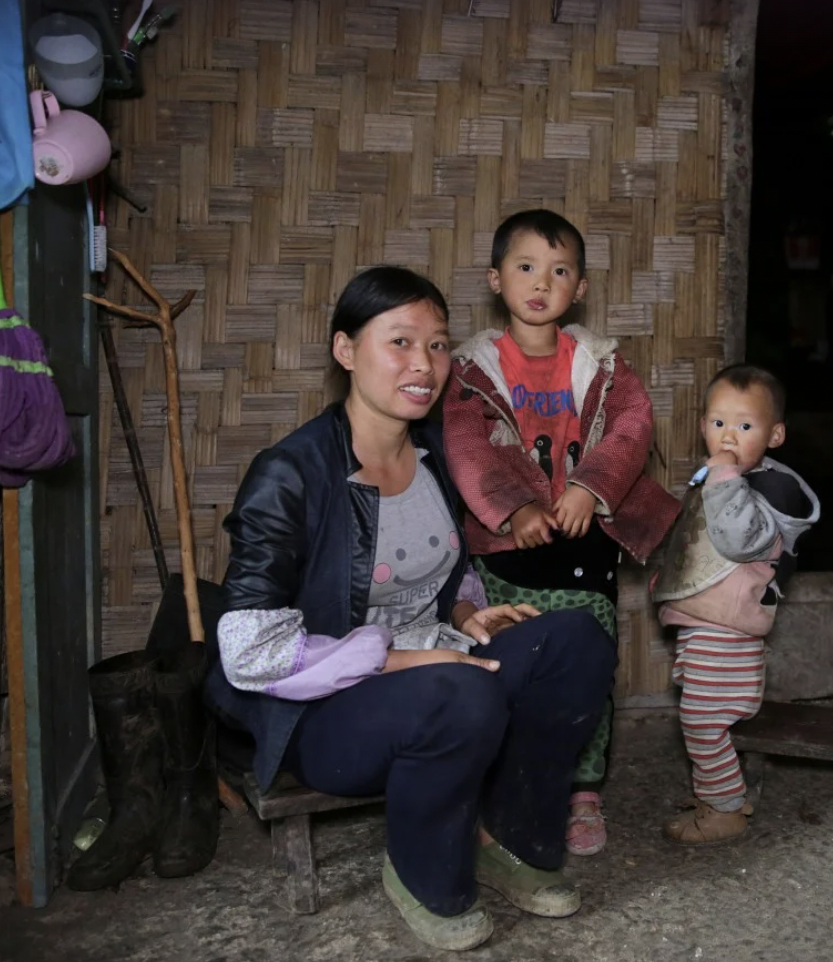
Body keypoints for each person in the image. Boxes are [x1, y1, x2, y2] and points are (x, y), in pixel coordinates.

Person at [203, 266, 618, 952]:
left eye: (436, 346)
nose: (423, 365)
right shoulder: (290, 475)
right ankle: (426, 872)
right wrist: (402, 658)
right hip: (327, 711)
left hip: (434, 672)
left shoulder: (429, 453)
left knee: (576, 640)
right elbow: (248, 649)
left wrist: (463, 617)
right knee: (457, 691)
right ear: (346, 351)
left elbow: (437, 569)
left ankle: (513, 841)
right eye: (399, 342)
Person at [442, 209, 680, 857]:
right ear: (496, 279)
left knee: (589, 665)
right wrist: (515, 506)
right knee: (508, 664)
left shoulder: (600, 365)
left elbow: (633, 425)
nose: (541, 282)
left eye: (559, 270)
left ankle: (583, 790)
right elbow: (466, 446)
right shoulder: (471, 371)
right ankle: (508, 781)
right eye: (525, 267)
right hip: (508, 550)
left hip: (586, 543)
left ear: (579, 289)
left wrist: (589, 487)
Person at [650, 364, 820, 845]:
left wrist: (724, 476)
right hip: (706, 628)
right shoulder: (720, 480)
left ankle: (725, 808)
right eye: (718, 422)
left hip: (727, 635)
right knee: (700, 715)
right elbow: (701, 545)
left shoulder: (769, 491)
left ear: (776, 434)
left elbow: (739, 539)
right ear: (702, 424)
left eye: (745, 427)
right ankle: (717, 792)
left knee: (704, 722)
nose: (728, 437)